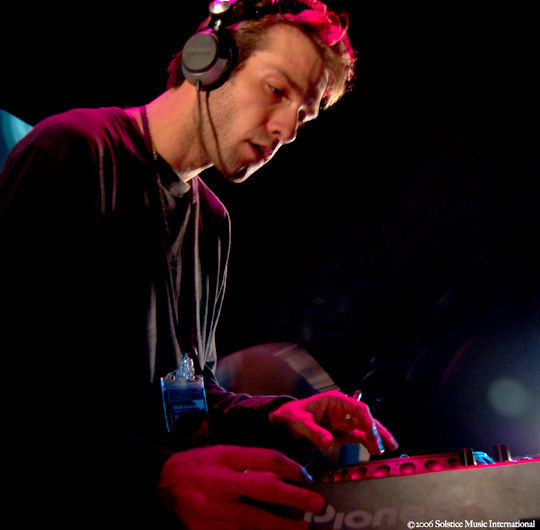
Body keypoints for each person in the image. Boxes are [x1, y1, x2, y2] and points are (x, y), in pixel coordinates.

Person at [0, 1, 398, 528]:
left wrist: (277, 414)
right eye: (276, 90)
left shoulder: (212, 222)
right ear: (207, 62)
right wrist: (158, 476)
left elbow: (189, 397)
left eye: (303, 116)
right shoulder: (73, 151)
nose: (286, 129)